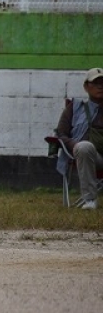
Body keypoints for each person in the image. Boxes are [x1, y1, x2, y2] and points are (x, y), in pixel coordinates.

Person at [54, 67, 103, 210]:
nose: (100, 86)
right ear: (86, 87)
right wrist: (74, 144)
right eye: (96, 83)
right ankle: (90, 200)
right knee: (84, 146)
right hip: (90, 156)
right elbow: (61, 134)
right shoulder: (74, 108)